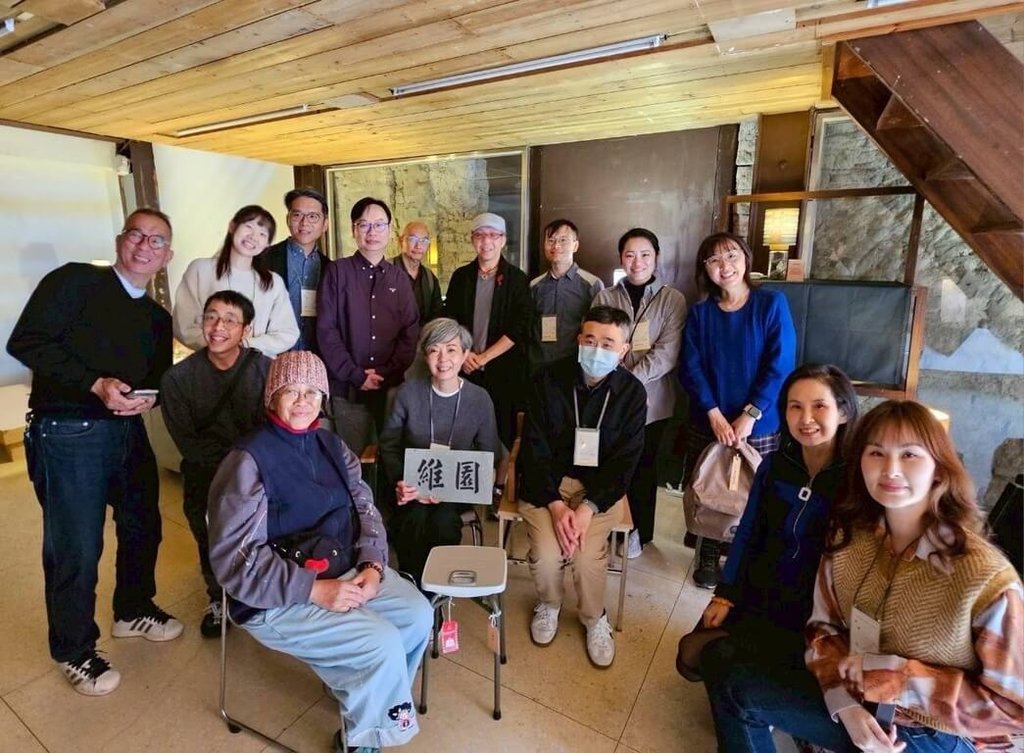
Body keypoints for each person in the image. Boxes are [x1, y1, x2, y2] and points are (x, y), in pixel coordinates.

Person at [708, 400, 1024, 752]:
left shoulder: (984, 577)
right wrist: (843, 704)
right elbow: (822, 630)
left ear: (939, 468)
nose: (890, 469)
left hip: (934, 732)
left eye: (909, 455)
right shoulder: (848, 538)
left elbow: (1013, 709)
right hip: (856, 699)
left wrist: (900, 680)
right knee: (733, 682)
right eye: (876, 453)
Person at [208, 351, 433, 753]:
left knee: (418, 615)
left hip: (344, 566)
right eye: (291, 390)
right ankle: (363, 739)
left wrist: (373, 563)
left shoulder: (332, 445)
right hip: (275, 595)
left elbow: (365, 508)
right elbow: (235, 562)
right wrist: (313, 589)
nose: (303, 401)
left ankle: (363, 693)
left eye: (312, 392)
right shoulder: (248, 461)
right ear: (271, 397)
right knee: (380, 642)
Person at [7, 208, 183, 696]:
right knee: (77, 545)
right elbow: (25, 341)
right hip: (67, 431)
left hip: (127, 431)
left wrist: (148, 399)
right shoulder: (75, 282)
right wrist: (95, 384)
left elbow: (155, 379)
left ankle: (132, 609)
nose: (145, 246)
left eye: (157, 241)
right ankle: (74, 649)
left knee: (143, 523)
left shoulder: (157, 318)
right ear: (120, 239)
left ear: (167, 256)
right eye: (137, 235)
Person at [690, 365, 858, 739]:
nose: (806, 418)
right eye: (795, 407)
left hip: (816, 612)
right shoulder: (776, 465)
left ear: (844, 412)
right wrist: (726, 593)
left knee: (747, 675)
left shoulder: (856, 479)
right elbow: (748, 532)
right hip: (761, 591)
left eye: (819, 406)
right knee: (694, 654)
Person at [519, 306, 646, 668]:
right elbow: (533, 448)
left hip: (600, 493)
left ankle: (594, 617)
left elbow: (626, 461)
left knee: (587, 556)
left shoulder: (632, 393)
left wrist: (588, 508)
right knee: (548, 553)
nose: (596, 349)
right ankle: (549, 603)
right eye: (590, 340)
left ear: (623, 350)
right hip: (548, 486)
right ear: (578, 340)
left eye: (608, 343)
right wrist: (556, 505)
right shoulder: (547, 379)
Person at [678, 231, 796, 587]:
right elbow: (691, 367)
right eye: (714, 260)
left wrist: (751, 413)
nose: (724, 266)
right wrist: (713, 413)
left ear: (745, 258)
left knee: (756, 490)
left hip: (758, 422)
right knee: (710, 486)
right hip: (709, 420)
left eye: (731, 256)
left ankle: (745, 552)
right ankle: (708, 548)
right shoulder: (700, 313)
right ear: (705, 268)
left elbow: (780, 364)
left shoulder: (771, 303)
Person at [160, 290, 271, 638]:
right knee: (210, 537)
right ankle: (218, 597)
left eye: (229, 320)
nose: (218, 326)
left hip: (259, 471)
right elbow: (188, 444)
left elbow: (275, 429)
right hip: (207, 473)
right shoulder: (178, 379)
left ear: (246, 329)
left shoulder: (266, 370)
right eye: (211, 317)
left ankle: (263, 589)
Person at [379, 318, 501, 583]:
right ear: (425, 356)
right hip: (411, 485)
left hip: (457, 490)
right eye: (434, 350)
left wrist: (456, 488)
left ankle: (436, 589)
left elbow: (488, 452)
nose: (443, 358)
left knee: (443, 521)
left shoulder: (479, 399)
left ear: (465, 355)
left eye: (451, 349)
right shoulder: (408, 394)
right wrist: (401, 481)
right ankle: (414, 587)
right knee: (412, 518)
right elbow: (388, 445)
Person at [593, 228, 686, 558]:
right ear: (621, 258)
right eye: (630, 255)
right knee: (609, 464)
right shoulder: (605, 297)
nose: (637, 262)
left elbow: (667, 353)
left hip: (653, 401)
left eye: (645, 254)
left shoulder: (672, 300)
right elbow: (598, 344)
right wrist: (616, 383)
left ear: (656, 257)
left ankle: (639, 533)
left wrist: (629, 384)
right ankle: (607, 526)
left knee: (644, 468)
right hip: (609, 398)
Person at [317, 196, 419, 452]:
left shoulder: (399, 278)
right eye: (364, 225)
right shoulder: (337, 272)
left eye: (379, 225)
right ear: (354, 230)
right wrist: (356, 374)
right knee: (351, 460)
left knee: (391, 458)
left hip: (391, 389)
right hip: (346, 388)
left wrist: (385, 372)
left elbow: (410, 331)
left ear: (390, 230)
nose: (372, 232)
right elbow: (327, 330)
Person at [443, 212, 532, 452]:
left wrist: (483, 357)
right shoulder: (461, 277)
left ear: (503, 240)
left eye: (493, 235)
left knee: (501, 434)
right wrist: (465, 354)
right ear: (472, 239)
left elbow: (520, 327)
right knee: (463, 431)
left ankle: (499, 476)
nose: (486, 241)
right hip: (465, 368)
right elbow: (450, 320)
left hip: (503, 371)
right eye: (480, 235)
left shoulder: (517, 279)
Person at [174, 204, 299, 356]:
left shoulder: (273, 282)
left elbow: (287, 333)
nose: (253, 236)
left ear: (267, 244)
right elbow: (184, 325)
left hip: (258, 364)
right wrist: (222, 347)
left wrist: (246, 345)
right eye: (248, 227)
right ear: (232, 226)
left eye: (262, 234)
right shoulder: (200, 269)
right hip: (211, 363)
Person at [529, 219, 604, 370]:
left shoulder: (592, 284)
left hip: (575, 366)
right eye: (551, 240)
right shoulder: (534, 285)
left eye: (563, 240)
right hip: (539, 365)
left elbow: (599, 328)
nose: (556, 246)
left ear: (575, 245)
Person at [262, 188, 330, 352]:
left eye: (313, 216)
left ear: (325, 224)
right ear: (288, 219)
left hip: (317, 359)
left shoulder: (332, 269)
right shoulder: (263, 260)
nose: (304, 223)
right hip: (271, 356)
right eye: (297, 215)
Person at [394, 220, 443, 325]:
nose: (418, 246)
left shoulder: (430, 278)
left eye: (424, 241)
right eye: (413, 239)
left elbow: (437, 315)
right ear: (401, 241)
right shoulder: (384, 272)